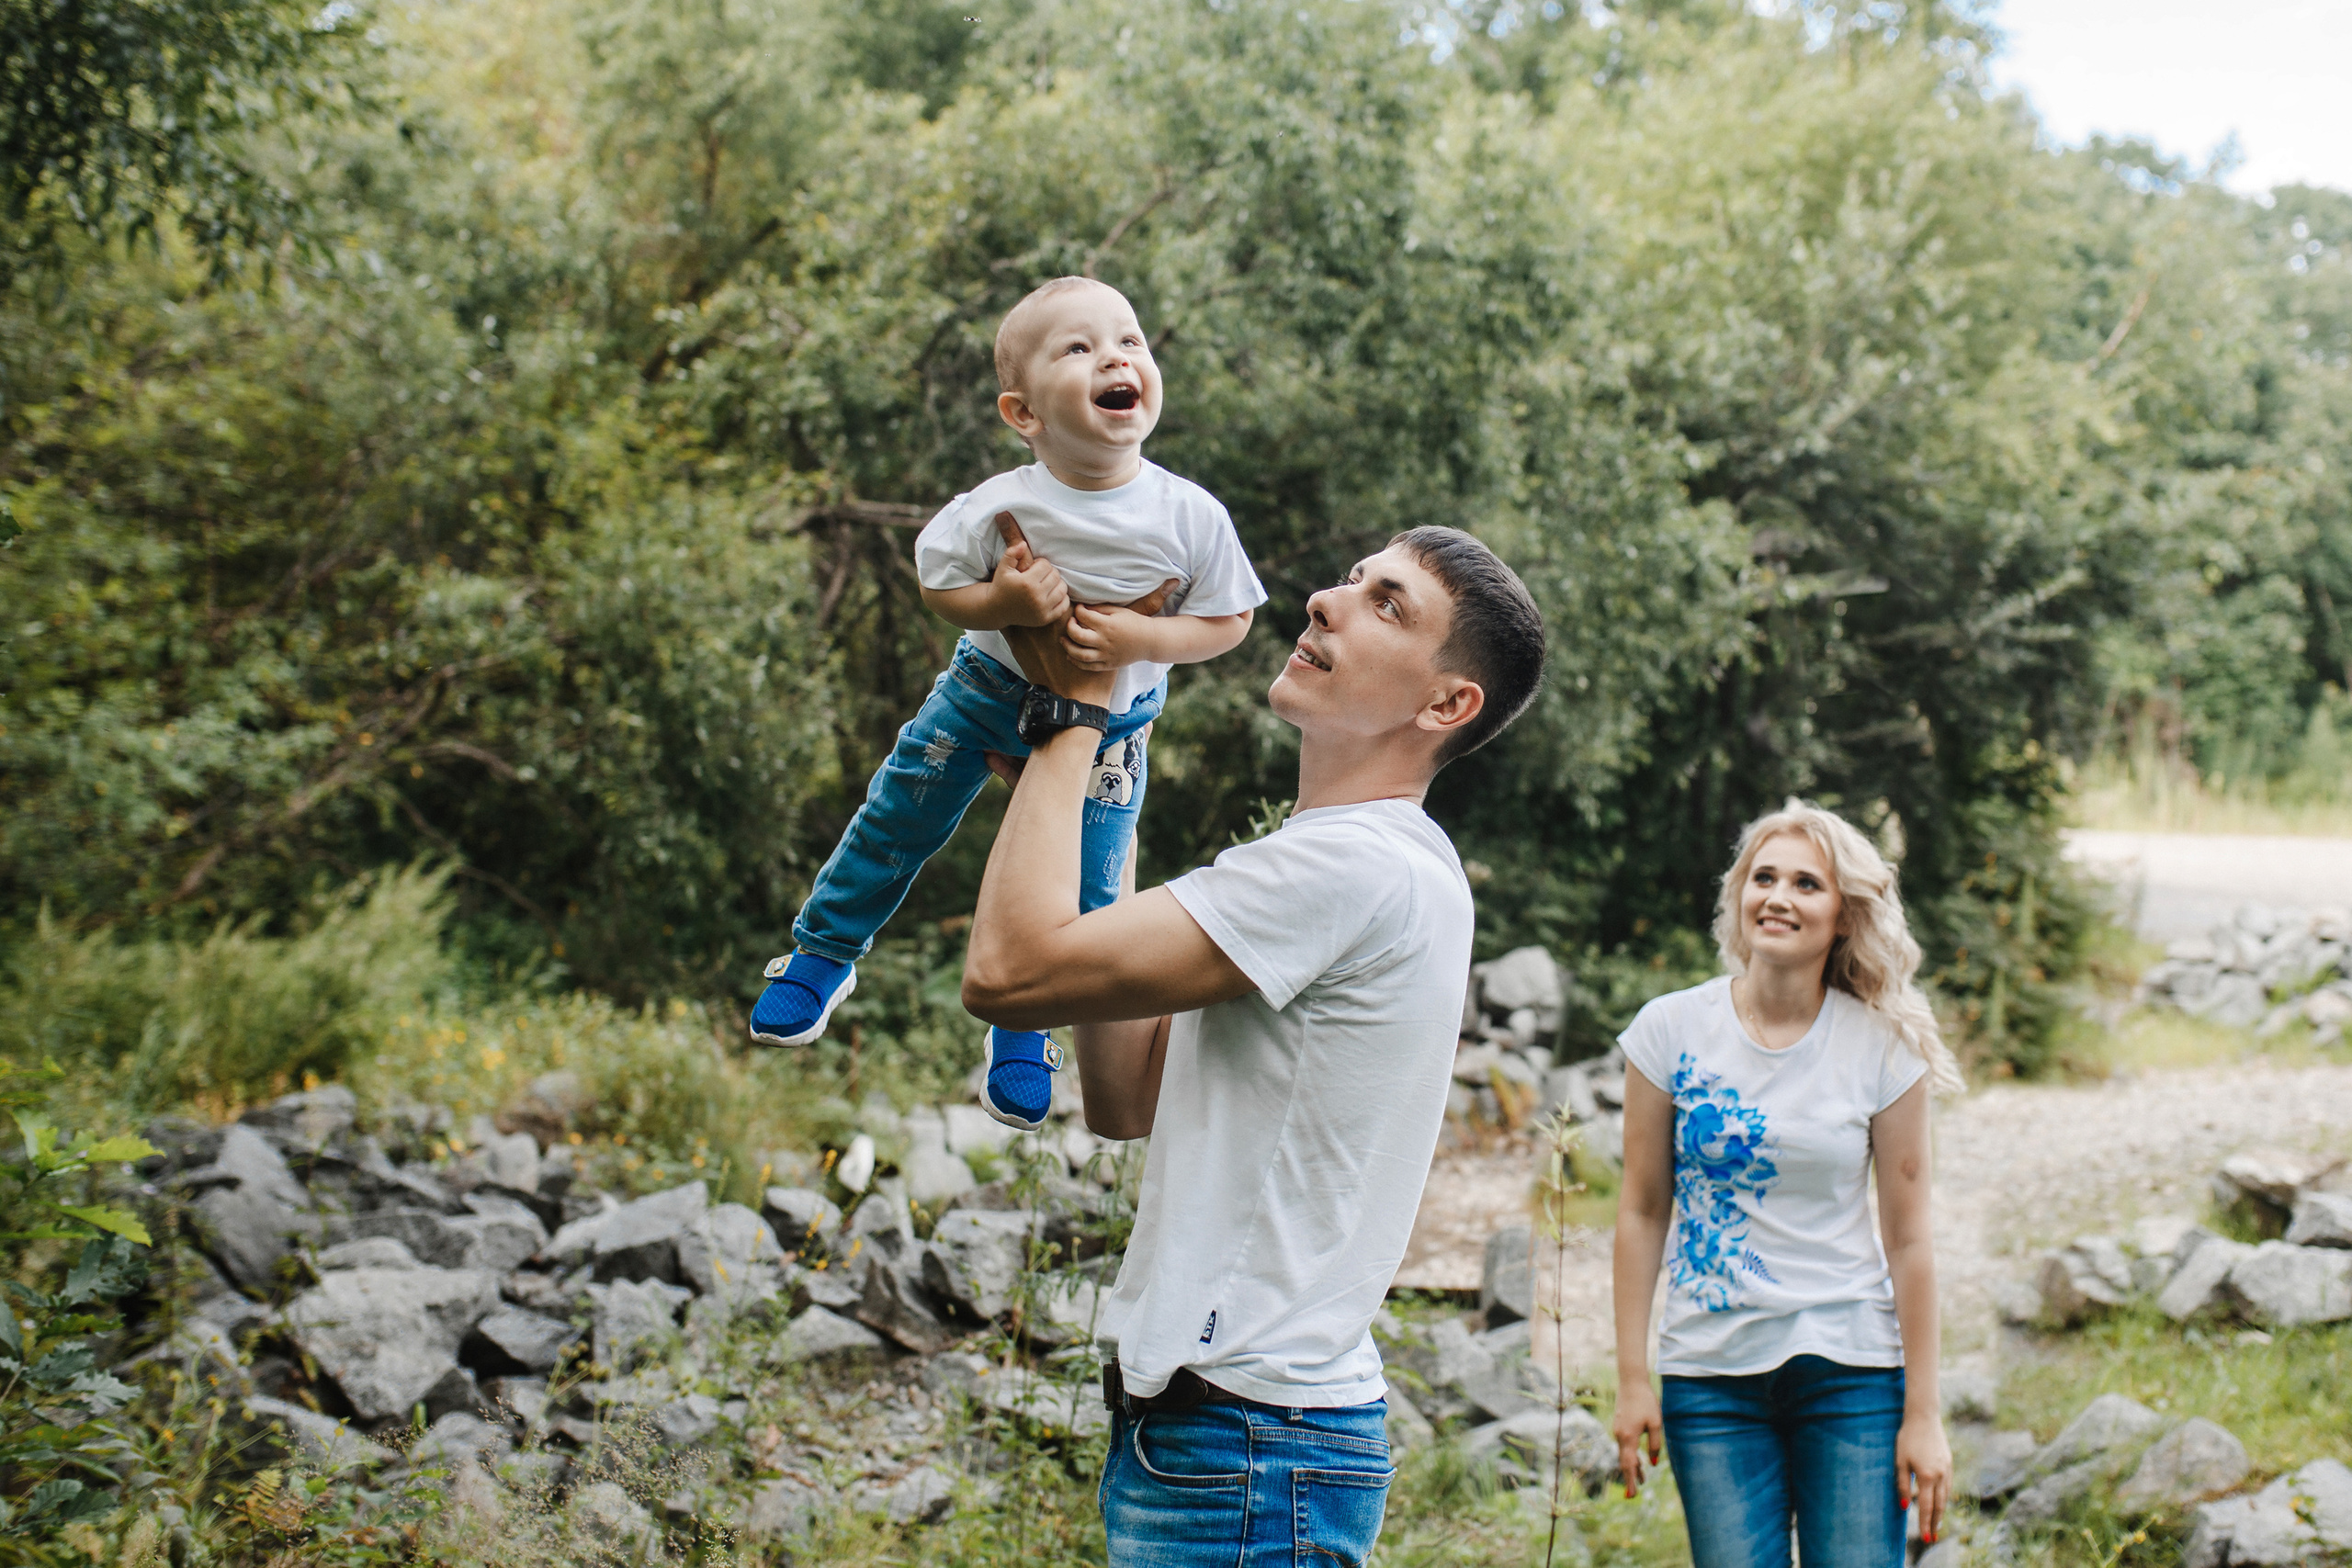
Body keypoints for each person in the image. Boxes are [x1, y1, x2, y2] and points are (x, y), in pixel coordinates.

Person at [957, 525, 1545, 1566]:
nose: (1326, 600)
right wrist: (1097, 785)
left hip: (1247, 1450)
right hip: (1218, 1439)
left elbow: (1006, 974)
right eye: (1352, 580)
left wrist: (1071, 718)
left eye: (1387, 605)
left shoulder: (1349, 869)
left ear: (1446, 704)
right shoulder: (1347, 863)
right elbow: (1123, 1093)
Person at [748, 276, 1266, 1133]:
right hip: (984, 694)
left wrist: (1143, 643)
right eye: (1079, 347)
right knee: (897, 817)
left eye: (1130, 341)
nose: (1116, 356)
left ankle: (1024, 1026)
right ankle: (822, 953)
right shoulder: (1000, 505)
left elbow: (1229, 620)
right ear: (1023, 413)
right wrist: (1006, 608)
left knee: (1092, 888)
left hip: (1112, 733)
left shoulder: (1189, 513)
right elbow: (938, 582)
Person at [1610, 800, 1962, 1568]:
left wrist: (1924, 1413)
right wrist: (1634, 1379)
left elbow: (1909, 1240)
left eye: (1807, 883)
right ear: (1739, 894)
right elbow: (1641, 1210)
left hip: (1852, 1373)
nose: (1778, 896)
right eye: (1763, 877)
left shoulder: (1883, 1046)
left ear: (1842, 916)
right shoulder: (1668, 1031)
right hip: (1709, 1378)